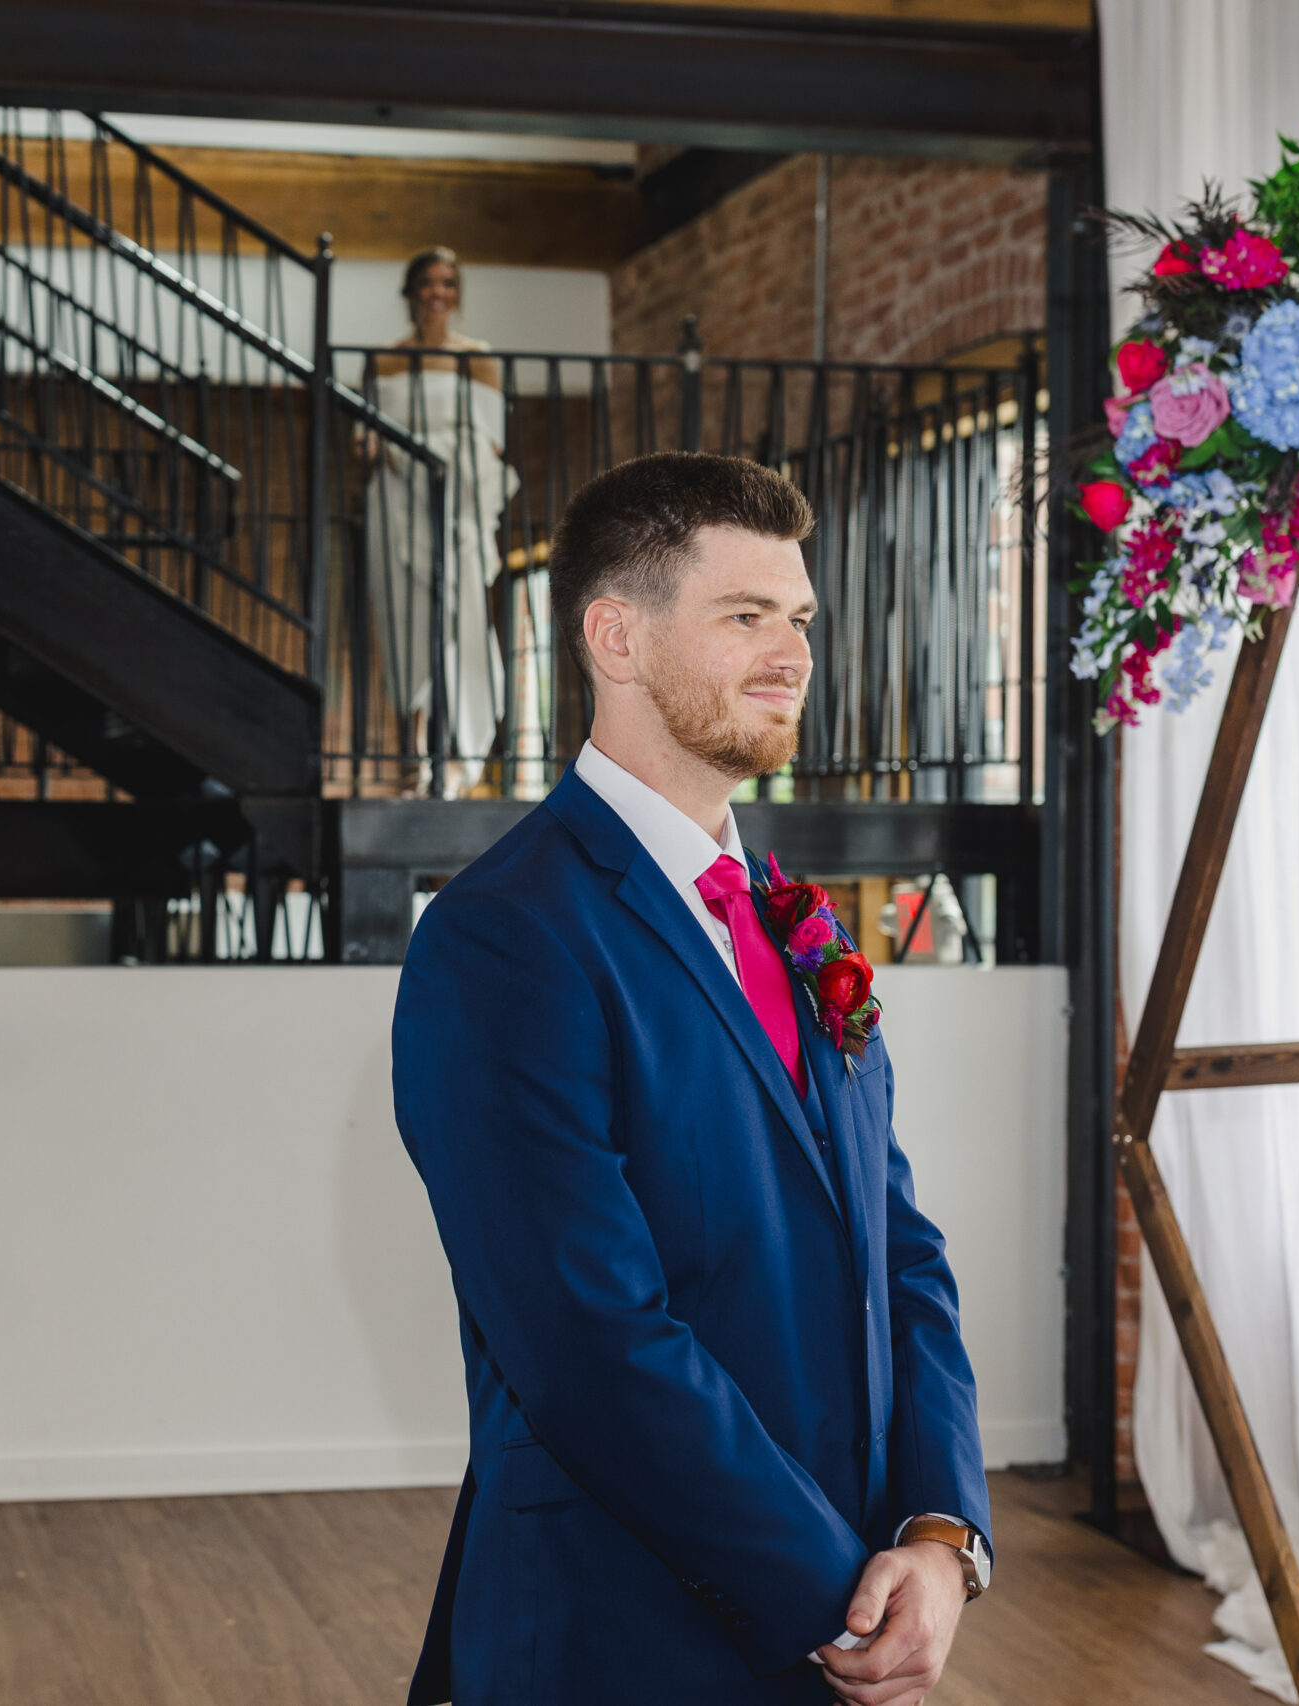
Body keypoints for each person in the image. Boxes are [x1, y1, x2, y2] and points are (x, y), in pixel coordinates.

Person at [391, 452, 991, 1705]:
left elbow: (901, 1251)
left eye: (801, 619)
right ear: (616, 634)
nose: (794, 653)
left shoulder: (795, 925)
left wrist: (939, 1534)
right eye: (744, 616)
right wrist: (837, 1585)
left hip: (854, 1608)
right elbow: (588, 1340)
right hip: (626, 1633)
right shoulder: (503, 937)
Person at [365, 247, 523, 798]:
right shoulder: (383, 359)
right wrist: (401, 456)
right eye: (428, 282)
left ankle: (456, 754)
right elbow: (368, 437)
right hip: (396, 503)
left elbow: (491, 443)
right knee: (406, 625)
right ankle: (414, 754)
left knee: (458, 623)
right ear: (410, 292)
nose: (438, 292)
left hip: (458, 508)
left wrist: (430, 456)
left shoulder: (478, 357)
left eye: (449, 282)